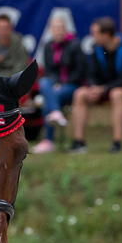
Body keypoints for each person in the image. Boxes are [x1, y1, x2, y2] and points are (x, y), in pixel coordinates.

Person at [69, 16, 122, 154]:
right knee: (80, 94)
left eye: (95, 33)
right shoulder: (96, 48)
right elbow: (91, 74)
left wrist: (105, 88)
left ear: (106, 35)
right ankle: (78, 142)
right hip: (103, 89)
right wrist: (93, 88)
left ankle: (117, 143)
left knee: (117, 94)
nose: (92, 37)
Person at [32, 15, 85, 154]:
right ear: (51, 30)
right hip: (54, 86)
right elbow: (48, 71)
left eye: (61, 28)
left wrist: (62, 84)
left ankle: (48, 140)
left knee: (48, 98)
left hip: (71, 85)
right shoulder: (48, 46)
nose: (58, 31)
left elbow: (80, 71)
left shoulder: (74, 45)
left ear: (66, 29)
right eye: (55, 28)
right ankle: (56, 113)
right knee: (44, 82)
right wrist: (55, 84)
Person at [0, 13, 30, 78]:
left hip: (15, 82)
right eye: (1, 28)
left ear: (11, 28)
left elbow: (20, 70)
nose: (3, 32)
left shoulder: (19, 47)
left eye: (6, 28)